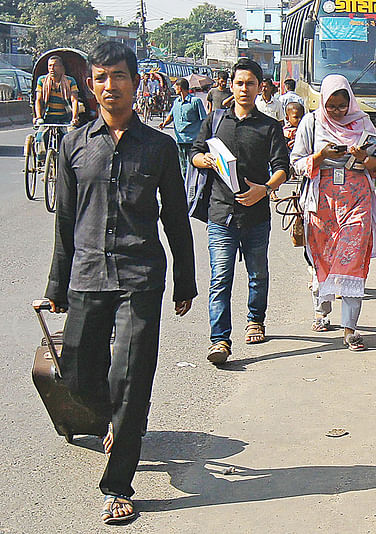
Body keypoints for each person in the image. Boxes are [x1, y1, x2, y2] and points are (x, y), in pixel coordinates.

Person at [43, 41, 196, 525]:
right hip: (88, 276)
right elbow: (65, 221)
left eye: (120, 77)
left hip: (140, 277)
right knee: (79, 375)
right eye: (102, 77)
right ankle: (116, 419)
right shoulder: (74, 145)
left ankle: (119, 485)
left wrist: (186, 282)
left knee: (131, 378)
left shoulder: (160, 147)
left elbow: (175, 218)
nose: (111, 86)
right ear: (91, 84)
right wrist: (55, 287)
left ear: (135, 82)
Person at [191, 58, 289, 364]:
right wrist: (203, 160)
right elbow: (194, 152)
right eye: (239, 83)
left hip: (256, 215)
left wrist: (266, 189)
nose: (244, 88)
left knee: (257, 274)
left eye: (250, 83)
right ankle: (220, 340)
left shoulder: (269, 127)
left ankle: (255, 320)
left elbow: (282, 168)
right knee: (220, 276)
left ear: (260, 87)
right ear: (230, 86)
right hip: (220, 214)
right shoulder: (215, 121)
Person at [290, 74, 376, 350]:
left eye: (341, 106)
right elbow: (296, 164)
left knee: (353, 262)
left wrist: (364, 158)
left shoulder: (364, 125)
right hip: (321, 203)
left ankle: (350, 328)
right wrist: (320, 157)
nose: (337, 112)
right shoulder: (310, 124)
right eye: (331, 106)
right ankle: (321, 310)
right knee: (322, 260)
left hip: (357, 202)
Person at [159, 77, 207, 179]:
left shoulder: (195, 102)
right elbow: (171, 116)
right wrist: (164, 124)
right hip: (180, 140)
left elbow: (204, 120)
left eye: (176, 86)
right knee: (183, 167)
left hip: (193, 141)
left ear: (180, 88)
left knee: (193, 166)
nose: (174, 89)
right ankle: (185, 187)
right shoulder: (177, 102)